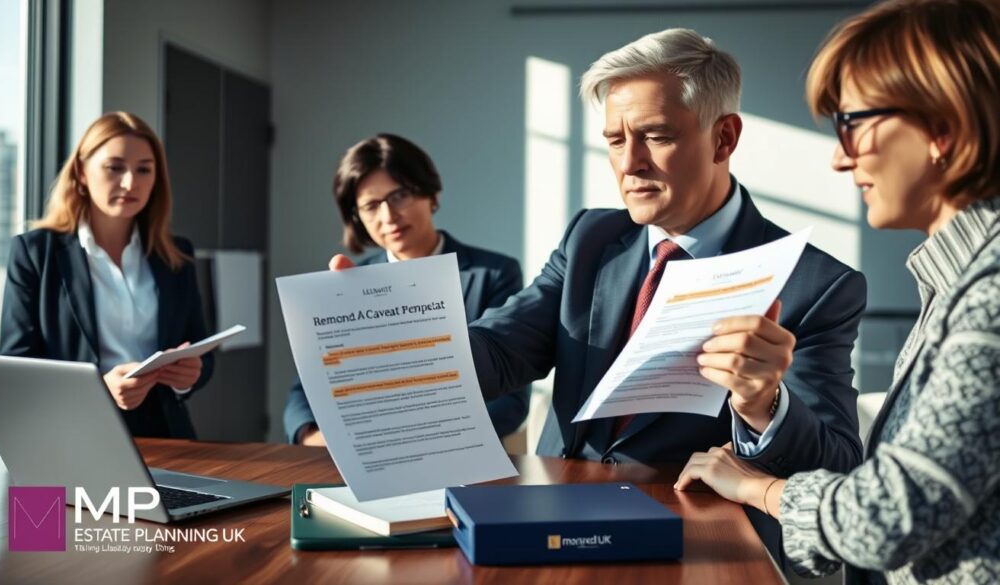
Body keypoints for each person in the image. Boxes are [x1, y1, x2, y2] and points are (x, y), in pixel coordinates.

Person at [330, 31, 867, 560]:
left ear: (723, 138)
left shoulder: (815, 285)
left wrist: (762, 406)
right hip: (546, 523)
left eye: (655, 136)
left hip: (691, 549)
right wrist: (396, 334)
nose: (630, 164)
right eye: (615, 140)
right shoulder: (591, 238)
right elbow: (501, 347)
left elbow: (837, 467)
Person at [675, 1, 1000, 582]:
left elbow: (883, 517)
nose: (839, 157)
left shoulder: (990, 295)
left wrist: (759, 488)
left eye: (853, 122)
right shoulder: (959, 282)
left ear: (942, 127)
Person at [283, 133, 530, 446]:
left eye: (399, 196)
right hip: (364, 456)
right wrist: (314, 437)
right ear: (357, 218)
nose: (388, 217)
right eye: (371, 205)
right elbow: (305, 390)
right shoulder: (348, 282)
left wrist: (421, 439)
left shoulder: (494, 274)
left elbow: (511, 399)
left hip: (462, 452)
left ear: (429, 192)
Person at [0, 111, 213, 439]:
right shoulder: (34, 252)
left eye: (144, 169)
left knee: (249, 492)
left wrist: (189, 377)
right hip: (65, 437)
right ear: (81, 172)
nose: (130, 182)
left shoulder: (176, 255)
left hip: (165, 437)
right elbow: (17, 371)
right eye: (114, 168)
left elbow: (202, 351)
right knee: (31, 495)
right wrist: (100, 390)